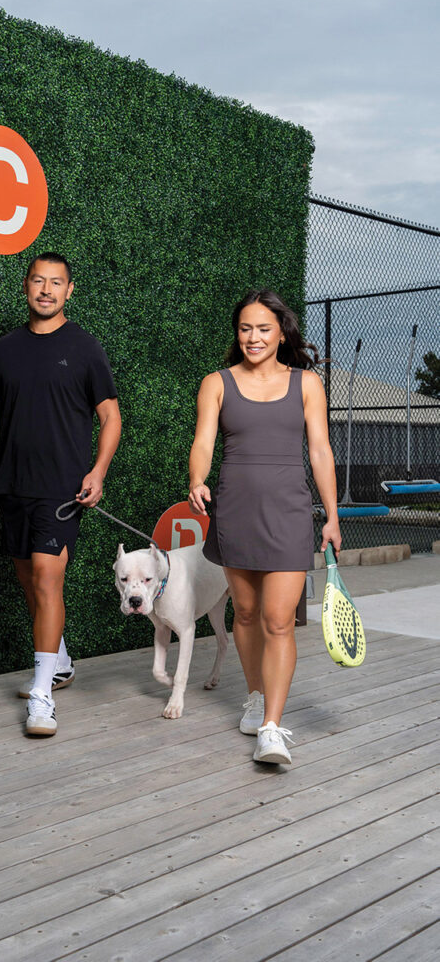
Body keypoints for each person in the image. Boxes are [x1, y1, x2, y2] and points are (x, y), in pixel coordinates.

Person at [0, 252, 121, 737]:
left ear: (70, 290)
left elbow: (110, 417)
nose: (46, 290)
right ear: (26, 287)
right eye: (38, 281)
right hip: (12, 485)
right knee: (30, 582)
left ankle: (43, 696)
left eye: (57, 282)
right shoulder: (4, 349)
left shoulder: (86, 347)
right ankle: (61, 661)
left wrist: (99, 470)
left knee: (48, 580)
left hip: (62, 489)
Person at [188, 288, 341, 765]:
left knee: (280, 619)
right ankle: (255, 696)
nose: (253, 337)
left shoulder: (307, 384)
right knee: (248, 615)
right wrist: (197, 478)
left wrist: (332, 514)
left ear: (281, 333)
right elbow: (204, 441)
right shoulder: (216, 382)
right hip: (235, 511)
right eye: (245, 328)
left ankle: (272, 727)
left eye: (263, 329)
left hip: (290, 513)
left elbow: (320, 451)